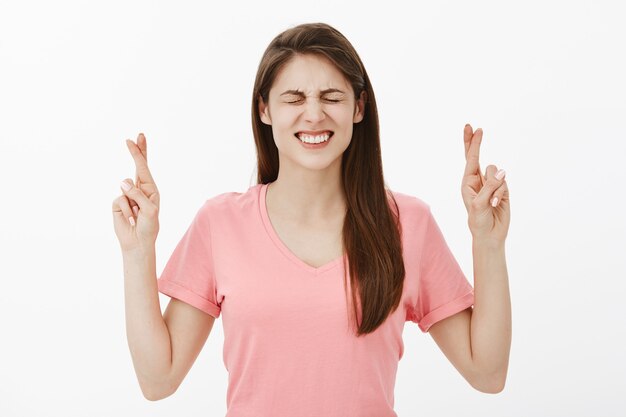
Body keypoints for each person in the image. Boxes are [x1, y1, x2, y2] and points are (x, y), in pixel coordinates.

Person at [112, 22, 511, 417]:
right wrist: (137, 250)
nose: (314, 114)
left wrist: (488, 242)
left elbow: (487, 373)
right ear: (264, 110)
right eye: (294, 98)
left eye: (331, 97)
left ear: (358, 108)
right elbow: (158, 380)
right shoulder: (220, 223)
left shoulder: (409, 223)